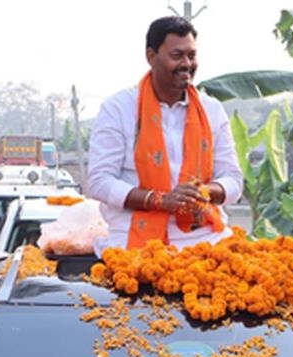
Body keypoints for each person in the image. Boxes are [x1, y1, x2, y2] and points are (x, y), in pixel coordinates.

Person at [87, 16, 243, 256]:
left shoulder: (212, 109)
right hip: (134, 245)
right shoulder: (119, 108)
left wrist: (201, 193)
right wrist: (159, 200)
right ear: (151, 56)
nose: (187, 64)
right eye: (176, 56)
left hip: (207, 241)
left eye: (192, 55)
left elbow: (233, 179)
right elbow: (99, 181)